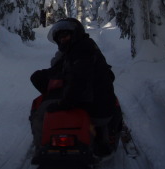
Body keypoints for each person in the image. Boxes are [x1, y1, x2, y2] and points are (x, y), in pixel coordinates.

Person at [30, 18, 117, 163]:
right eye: (60, 38)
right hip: (94, 104)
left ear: (75, 34)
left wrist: (63, 103)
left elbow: (79, 83)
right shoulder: (79, 49)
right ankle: (103, 138)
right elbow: (64, 71)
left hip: (94, 108)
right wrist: (41, 76)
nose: (63, 40)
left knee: (41, 112)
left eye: (66, 35)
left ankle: (41, 147)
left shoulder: (82, 50)